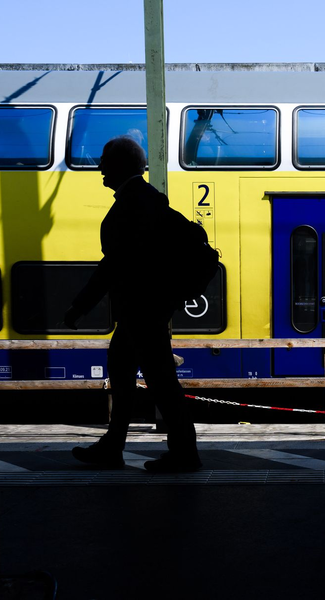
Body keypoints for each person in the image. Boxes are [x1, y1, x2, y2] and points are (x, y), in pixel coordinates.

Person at [67, 136, 201, 473]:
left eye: (104, 161)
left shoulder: (133, 204)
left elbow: (113, 265)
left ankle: (183, 453)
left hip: (143, 311)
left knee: (160, 382)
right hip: (143, 311)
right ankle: (115, 446)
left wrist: (80, 306)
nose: (99, 168)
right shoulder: (144, 200)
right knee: (128, 376)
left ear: (120, 166)